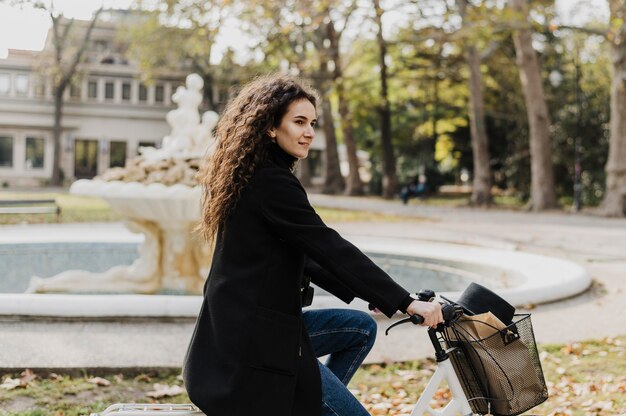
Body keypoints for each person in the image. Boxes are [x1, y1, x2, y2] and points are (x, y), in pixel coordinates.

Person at [183, 74, 443, 416]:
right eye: (299, 122)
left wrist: (380, 297)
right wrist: (406, 302)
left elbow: (306, 254)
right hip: (250, 351)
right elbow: (327, 245)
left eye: (313, 123)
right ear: (270, 128)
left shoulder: (259, 174)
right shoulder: (271, 182)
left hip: (240, 333)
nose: (309, 132)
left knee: (359, 328)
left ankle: (307, 405)